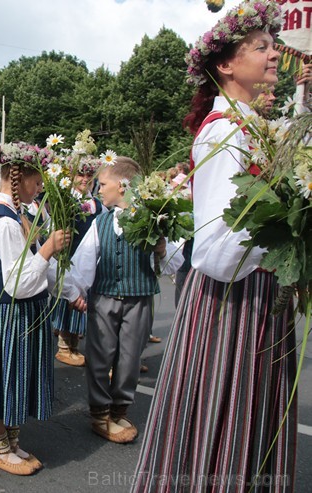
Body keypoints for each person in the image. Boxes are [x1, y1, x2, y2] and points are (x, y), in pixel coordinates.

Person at [131, 2, 297, 490]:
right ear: (225, 64)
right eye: (261, 47)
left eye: (273, 45)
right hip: (234, 301)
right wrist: (283, 238)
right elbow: (215, 250)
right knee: (225, 415)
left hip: (257, 293)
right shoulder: (226, 132)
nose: (273, 56)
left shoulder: (253, 127)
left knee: (247, 416)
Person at [0, 145, 67, 476]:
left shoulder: (21, 213)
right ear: (19, 180)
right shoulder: (4, 220)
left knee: (16, 375)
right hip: (9, 311)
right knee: (0, 374)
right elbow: (15, 284)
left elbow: (35, 273)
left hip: (24, 312)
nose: (39, 190)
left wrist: (67, 286)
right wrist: (48, 248)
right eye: (37, 183)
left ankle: (11, 441)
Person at [64, 157, 183, 444]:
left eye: (103, 184)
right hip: (104, 297)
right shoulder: (101, 222)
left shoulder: (154, 220)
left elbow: (173, 265)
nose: (99, 189)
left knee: (130, 358)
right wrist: (74, 292)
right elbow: (84, 260)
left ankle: (119, 410)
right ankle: (99, 412)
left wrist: (162, 248)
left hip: (139, 298)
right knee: (100, 356)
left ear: (122, 185)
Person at [52, 155, 103, 367]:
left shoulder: (97, 203)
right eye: (80, 174)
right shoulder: (66, 200)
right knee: (69, 294)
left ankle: (74, 343)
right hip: (70, 253)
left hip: (89, 254)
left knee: (83, 297)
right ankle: (64, 345)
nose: (84, 179)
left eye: (89, 175)